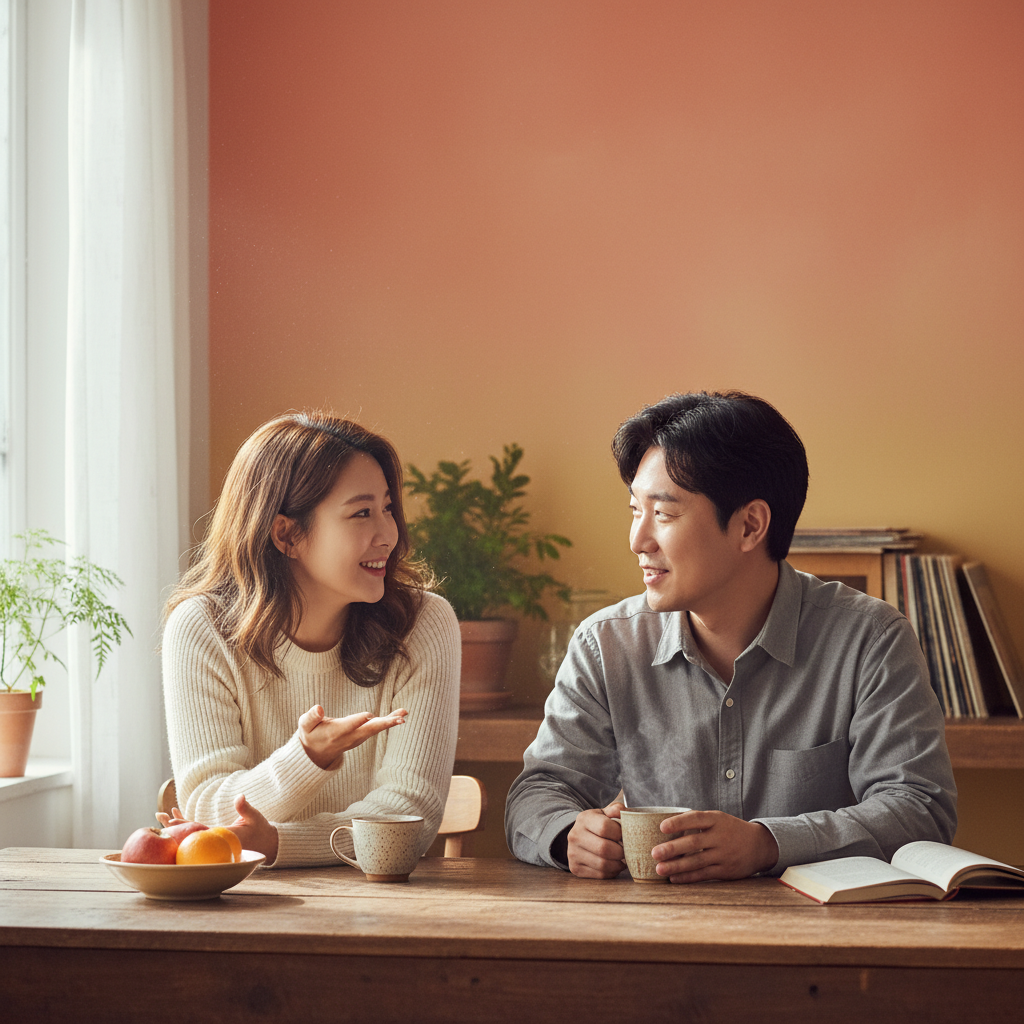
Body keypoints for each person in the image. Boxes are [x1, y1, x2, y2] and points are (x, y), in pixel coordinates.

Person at [505, 391, 956, 882]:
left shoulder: (870, 640)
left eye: (664, 514)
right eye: (635, 510)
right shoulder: (605, 645)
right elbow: (538, 792)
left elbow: (919, 808)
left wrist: (768, 843)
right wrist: (568, 833)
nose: (637, 541)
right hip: (654, 936)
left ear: (750, 526)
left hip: (826, 943)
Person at [160, 411, 461, 868]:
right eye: (362, 513)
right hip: (241, 910)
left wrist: (278, 844)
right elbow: (209, 806)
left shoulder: (423, 624)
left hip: (382, 910)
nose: (389, 534)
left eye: (387, 508)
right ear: (287, 534)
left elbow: (408, 815)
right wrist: (306, 757)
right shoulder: (202, 628)